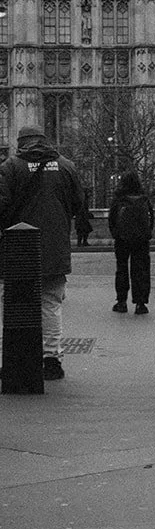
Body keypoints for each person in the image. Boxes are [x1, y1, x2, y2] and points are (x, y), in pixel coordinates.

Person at [0, 124, 85, 380]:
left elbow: (1, 205)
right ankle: (51, 359)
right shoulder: (66, 166)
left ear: (21, 142)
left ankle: (16, 357)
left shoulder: (10, 168)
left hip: (17, 247)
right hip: (54, 245)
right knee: (51, 303)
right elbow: (78, 203)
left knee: (14, 303)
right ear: (44, 141)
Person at [108, 172, 153, 314]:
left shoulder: (119, 198)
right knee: (141, 270)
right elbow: (150, 218)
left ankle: (121, 301)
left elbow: (112, 219)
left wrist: (116, 234)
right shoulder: (143, 198)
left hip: (122, 238)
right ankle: (140, 303)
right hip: (141, 239)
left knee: (121, 268)